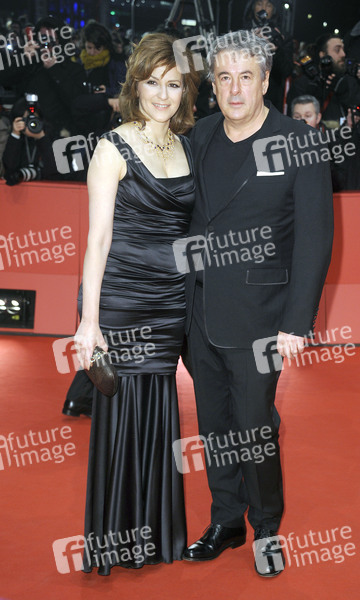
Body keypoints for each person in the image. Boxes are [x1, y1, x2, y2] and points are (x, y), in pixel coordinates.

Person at [181, 31, 333, 577]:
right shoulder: (198, 135)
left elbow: (315, 238)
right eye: (224, 77)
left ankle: (266, 528)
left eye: (246, 76)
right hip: (198, 313)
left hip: (261, 318)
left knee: (255, 428)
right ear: (213, 84)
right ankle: (226, 520)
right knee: (214, 426)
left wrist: (297, 322)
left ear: (266, 81)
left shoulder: (298, 141)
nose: (235, 88)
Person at [73, 32, 199, 575]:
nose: (163, 95)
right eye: (153, 83)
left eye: (173, 84)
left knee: (159, 405)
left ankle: (154, 533)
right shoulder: (112, 147)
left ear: (185, 90)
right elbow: (98, 238)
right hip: (124, 298)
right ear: (135, 86)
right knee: (121, 410)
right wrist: (89, 321)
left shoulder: (187, 145)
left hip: (170, 301)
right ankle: (114, 539)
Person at [287, 33, 360, 128]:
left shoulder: (348, 82)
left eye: (343, 50)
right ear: (322, 55)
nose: (343, 54)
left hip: (344, 135)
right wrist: (319, 93)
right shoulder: (303, 83)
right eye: (337, 50)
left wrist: (344, 94)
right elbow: (294, 121)